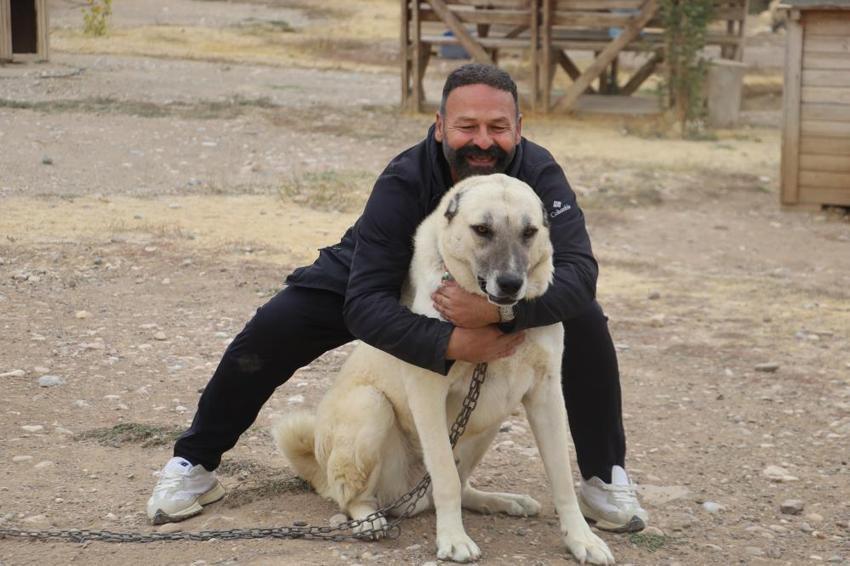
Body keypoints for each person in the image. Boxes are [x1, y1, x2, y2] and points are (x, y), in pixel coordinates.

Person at [146, 63, 648, 533]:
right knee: (278, 324)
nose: (482, 141)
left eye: (497, 127)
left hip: (491, 279)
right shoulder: (404, 178)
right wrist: (450, 341)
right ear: (439, 126)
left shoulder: (538, 176)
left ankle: (603, 479)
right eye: (466, 126)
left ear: (519, 127)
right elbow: (366, 301)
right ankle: (195, 462)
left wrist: (503, 312)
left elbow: (580, 272)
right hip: (387, 270)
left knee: (583, 318)